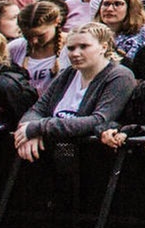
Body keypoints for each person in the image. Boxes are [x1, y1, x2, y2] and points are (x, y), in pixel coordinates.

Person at [14, 22, 137, 161]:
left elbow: (99, 120)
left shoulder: (120, 76)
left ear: (103, 47)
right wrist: (28, 133)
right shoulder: (69, 73)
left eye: (84, 47)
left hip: (93, 158)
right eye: (71, 48)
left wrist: (38, 127)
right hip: (57, 156)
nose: (75, 53)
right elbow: (37, 109)